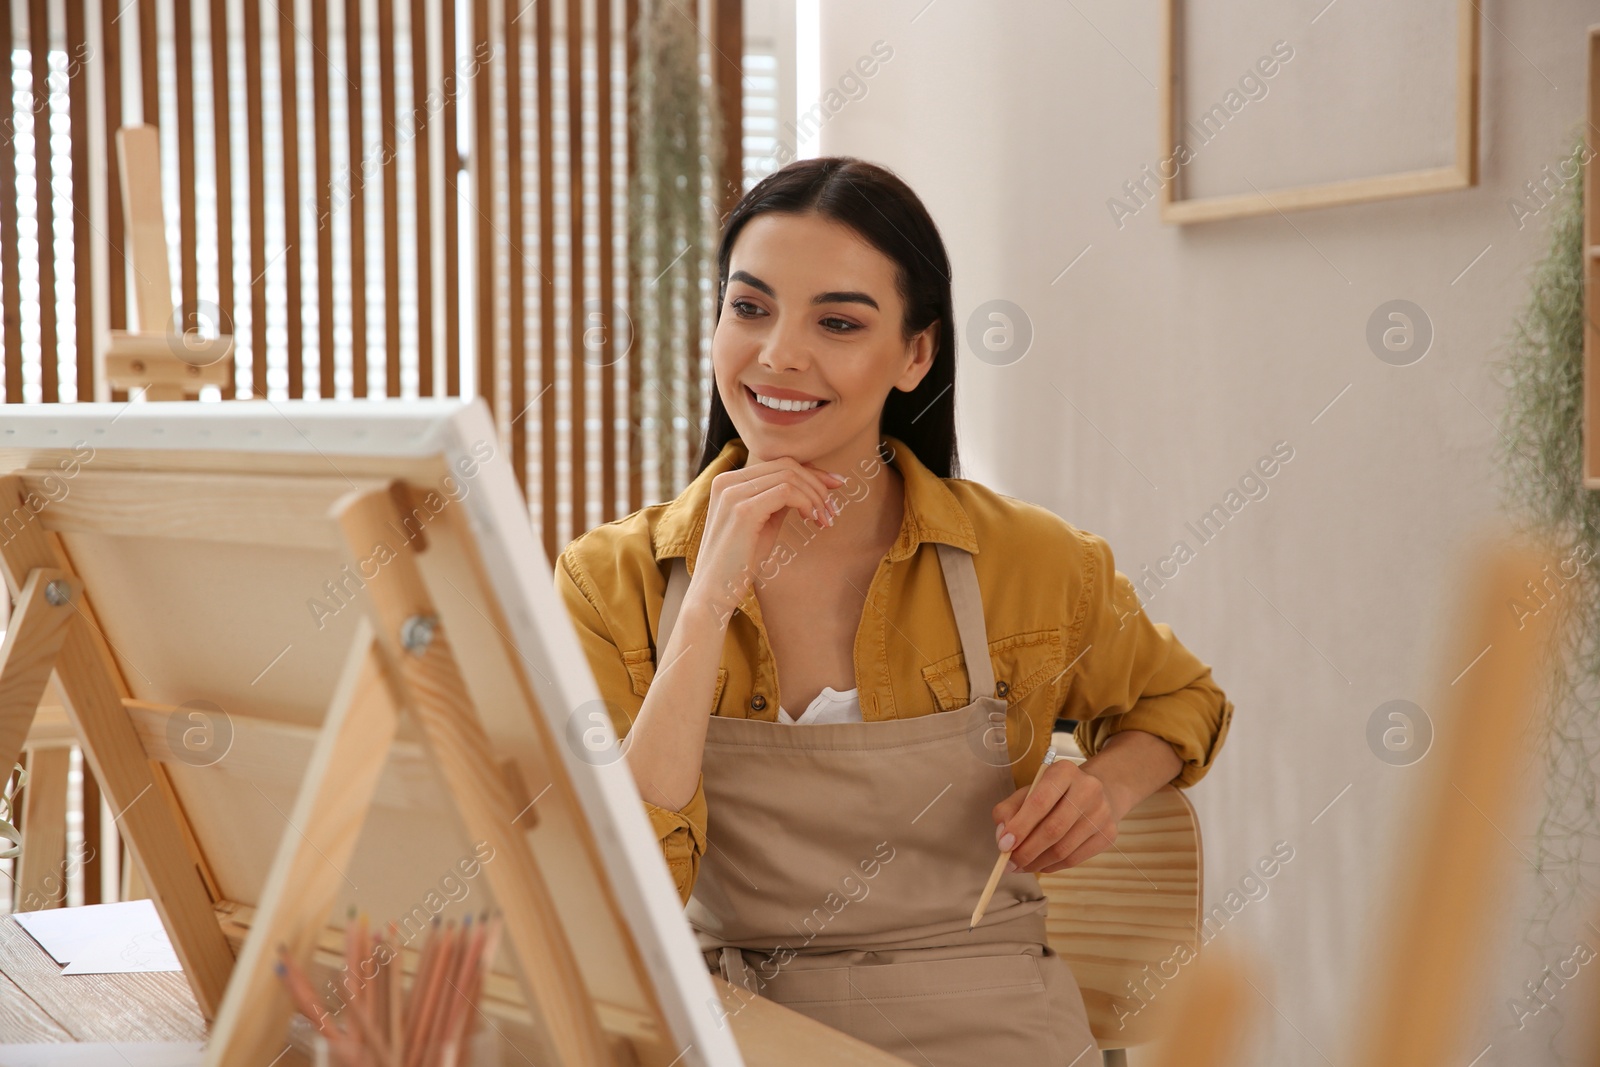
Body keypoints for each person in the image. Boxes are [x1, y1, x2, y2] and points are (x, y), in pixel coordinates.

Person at [554, 156, 1234, 1064]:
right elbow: (617, 891)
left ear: (917, 354)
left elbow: (1183, 700)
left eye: (837, 322)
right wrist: (708, 601)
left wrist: (1105, 785)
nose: (778, 354)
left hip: (988, 1019)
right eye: (749, 307)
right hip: (738, 1025)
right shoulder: (612, 580)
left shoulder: (1032, 561)